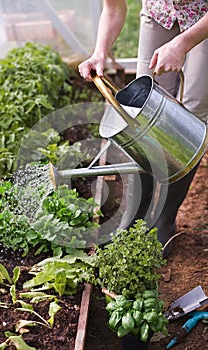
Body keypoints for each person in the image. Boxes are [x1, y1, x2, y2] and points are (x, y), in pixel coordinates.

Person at [78, 0, 208, 256]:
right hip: (159, 14)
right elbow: (113, 8)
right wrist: (100, 52)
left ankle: (165, 219)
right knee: (141, 113)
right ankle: (137, 215)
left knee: (192, 116)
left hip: (203, 15)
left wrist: (182, 43)